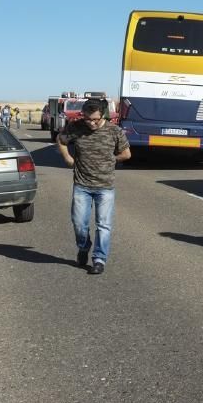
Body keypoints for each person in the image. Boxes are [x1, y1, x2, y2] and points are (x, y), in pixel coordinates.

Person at [57, 99, 130, 275]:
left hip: (105, 186)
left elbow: (126, 153)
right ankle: (83, 247)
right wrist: (67, 158)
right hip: (82, 185)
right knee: (79, 223)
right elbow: (61, 139)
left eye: (95, 119)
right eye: (88, 119)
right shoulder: (76, 127)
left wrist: (113, 159)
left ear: (103, 115)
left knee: (103, 225)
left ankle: (99, 259)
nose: (91, 122)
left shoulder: (114, 131)